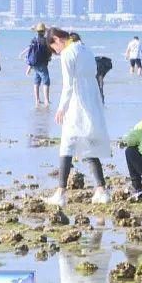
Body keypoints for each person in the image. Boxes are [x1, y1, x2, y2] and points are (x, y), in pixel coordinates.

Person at [43, 28, 112, 207]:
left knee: (67, 145)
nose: (55, 53)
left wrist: (61, 108)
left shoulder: (67, 53)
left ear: (57, 40)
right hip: (92, 98)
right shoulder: (86, 49)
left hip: (77, 101)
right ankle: (101, 191)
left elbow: (68, 85)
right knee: (89, 144)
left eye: (53, 48)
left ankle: (60, 193)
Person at [20, 23, 52, 107]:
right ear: (44, 31)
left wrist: (22, 53)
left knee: (37, 80)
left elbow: (30, 49)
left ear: (37, 31)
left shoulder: (34, 39)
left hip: (34, 64)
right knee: (46, 81)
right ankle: (46, 100)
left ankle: (37, 100)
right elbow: (49, 50)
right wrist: (47, 29)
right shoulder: (45, 40)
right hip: (42, 64)